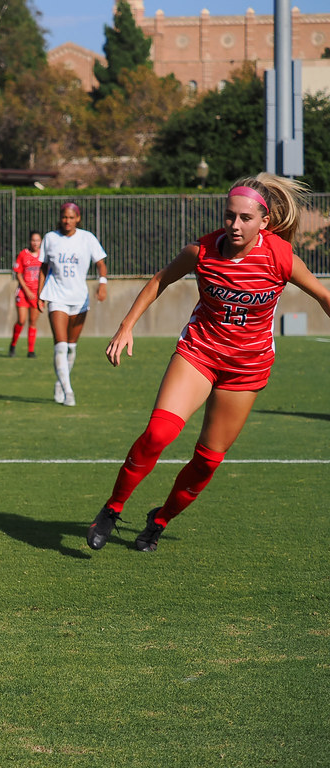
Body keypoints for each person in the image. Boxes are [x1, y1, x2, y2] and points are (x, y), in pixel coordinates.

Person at [87, 173, 330, 552]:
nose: (235, 225)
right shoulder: (201, 251)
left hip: (247, 369)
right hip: (199, 353)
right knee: (158, 435)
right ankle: (112, 508)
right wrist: (126, 326)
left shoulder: (280, 256)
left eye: (245, 218)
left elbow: (323, 296)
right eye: (229, 215)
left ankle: (159, 520)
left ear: (264, 221)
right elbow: (160, 280)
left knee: (208, 461)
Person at [38, 203, 108, 407]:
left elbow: (101, 263)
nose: (67, 221)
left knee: (71, 348)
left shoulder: (87, 238)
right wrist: (40, 294)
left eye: (71, 217)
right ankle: (69, 391)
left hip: (79, 299)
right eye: (64, 217)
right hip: (56, 296)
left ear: (78, 218)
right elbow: (43, 267)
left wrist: (103, 283)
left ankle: (61, 383)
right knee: (60, 346)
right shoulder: (50, 238)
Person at [10, 231, 43, 358]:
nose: (35, 243)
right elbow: (18, 273)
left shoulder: (43, 255)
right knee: (21, 320)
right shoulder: (23, 254)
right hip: (24, 293)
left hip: (37, 294)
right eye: (33, 240)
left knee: (33, 321)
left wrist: (41, 294)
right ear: (29, 241)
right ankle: (13, 345)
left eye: (37, 240)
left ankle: (31, 351)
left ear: (41, 242)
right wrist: (27, 290)